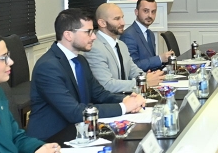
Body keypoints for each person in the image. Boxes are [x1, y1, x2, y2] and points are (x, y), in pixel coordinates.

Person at [27, 8, 145, 141]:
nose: (94, 37)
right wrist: (123, 107)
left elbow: (99, 94)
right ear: (68, 35)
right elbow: (74, 112)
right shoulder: (48, 67)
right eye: (88, 32)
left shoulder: (80, 60)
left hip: (80, 132)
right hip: (51, 139)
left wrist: (126, 99)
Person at [88, 3, 163, 93]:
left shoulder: (121, 45)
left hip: (129, 97)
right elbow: (107, 85)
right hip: (112, 100)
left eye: (122, 18)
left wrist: (152, 77)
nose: (123, 23)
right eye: (117, 19)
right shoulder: (94, 48)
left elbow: (133, 70)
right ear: (102, 23)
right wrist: (143, 82)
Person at [121, 0, 174, 71]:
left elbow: (151, 63)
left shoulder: (150, 34)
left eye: (153, 12)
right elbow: (133, 66)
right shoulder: (128, 35)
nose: (150, 15)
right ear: (136, 12)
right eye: (146, 11)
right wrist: (160, 59)